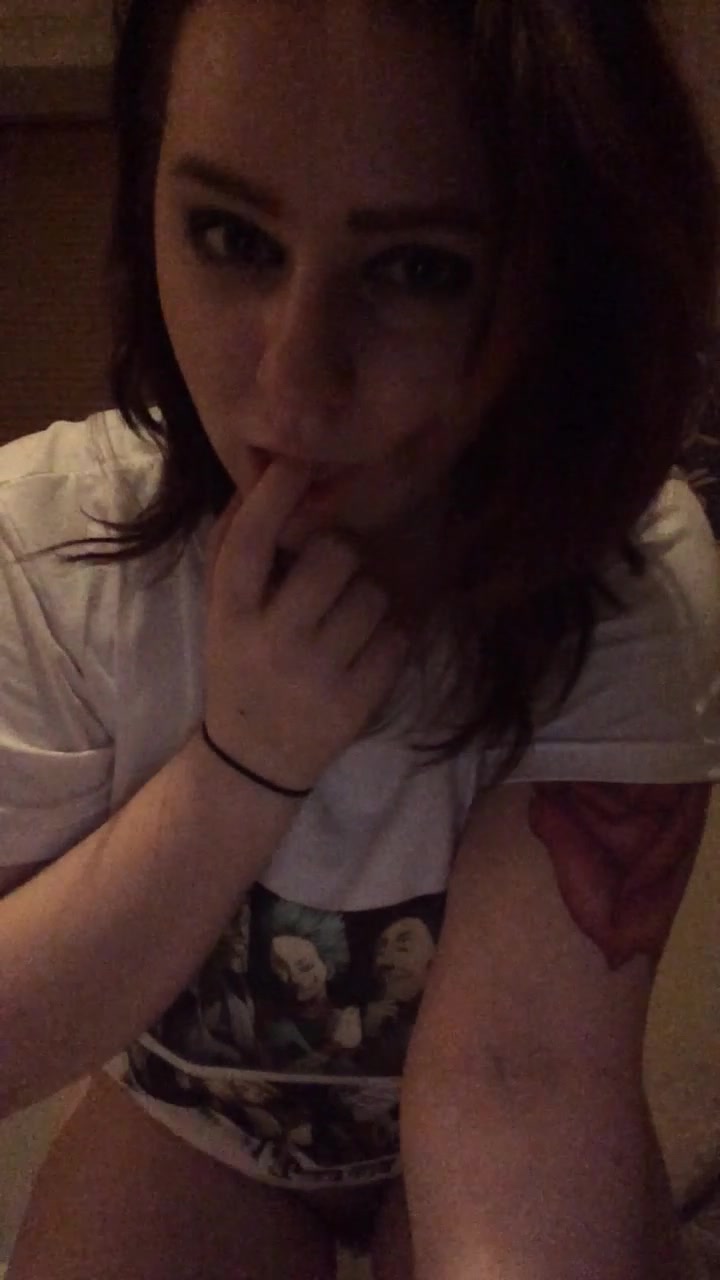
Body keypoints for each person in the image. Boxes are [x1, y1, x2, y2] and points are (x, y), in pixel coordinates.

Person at [1, 0, 719, 1276]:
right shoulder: (51, 551)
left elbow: (525, 1080)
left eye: (418, 269)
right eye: (231, 237)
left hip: (504, 1100)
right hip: (196, 1114)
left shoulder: (629, 579)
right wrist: (243, 765)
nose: (293, 385)